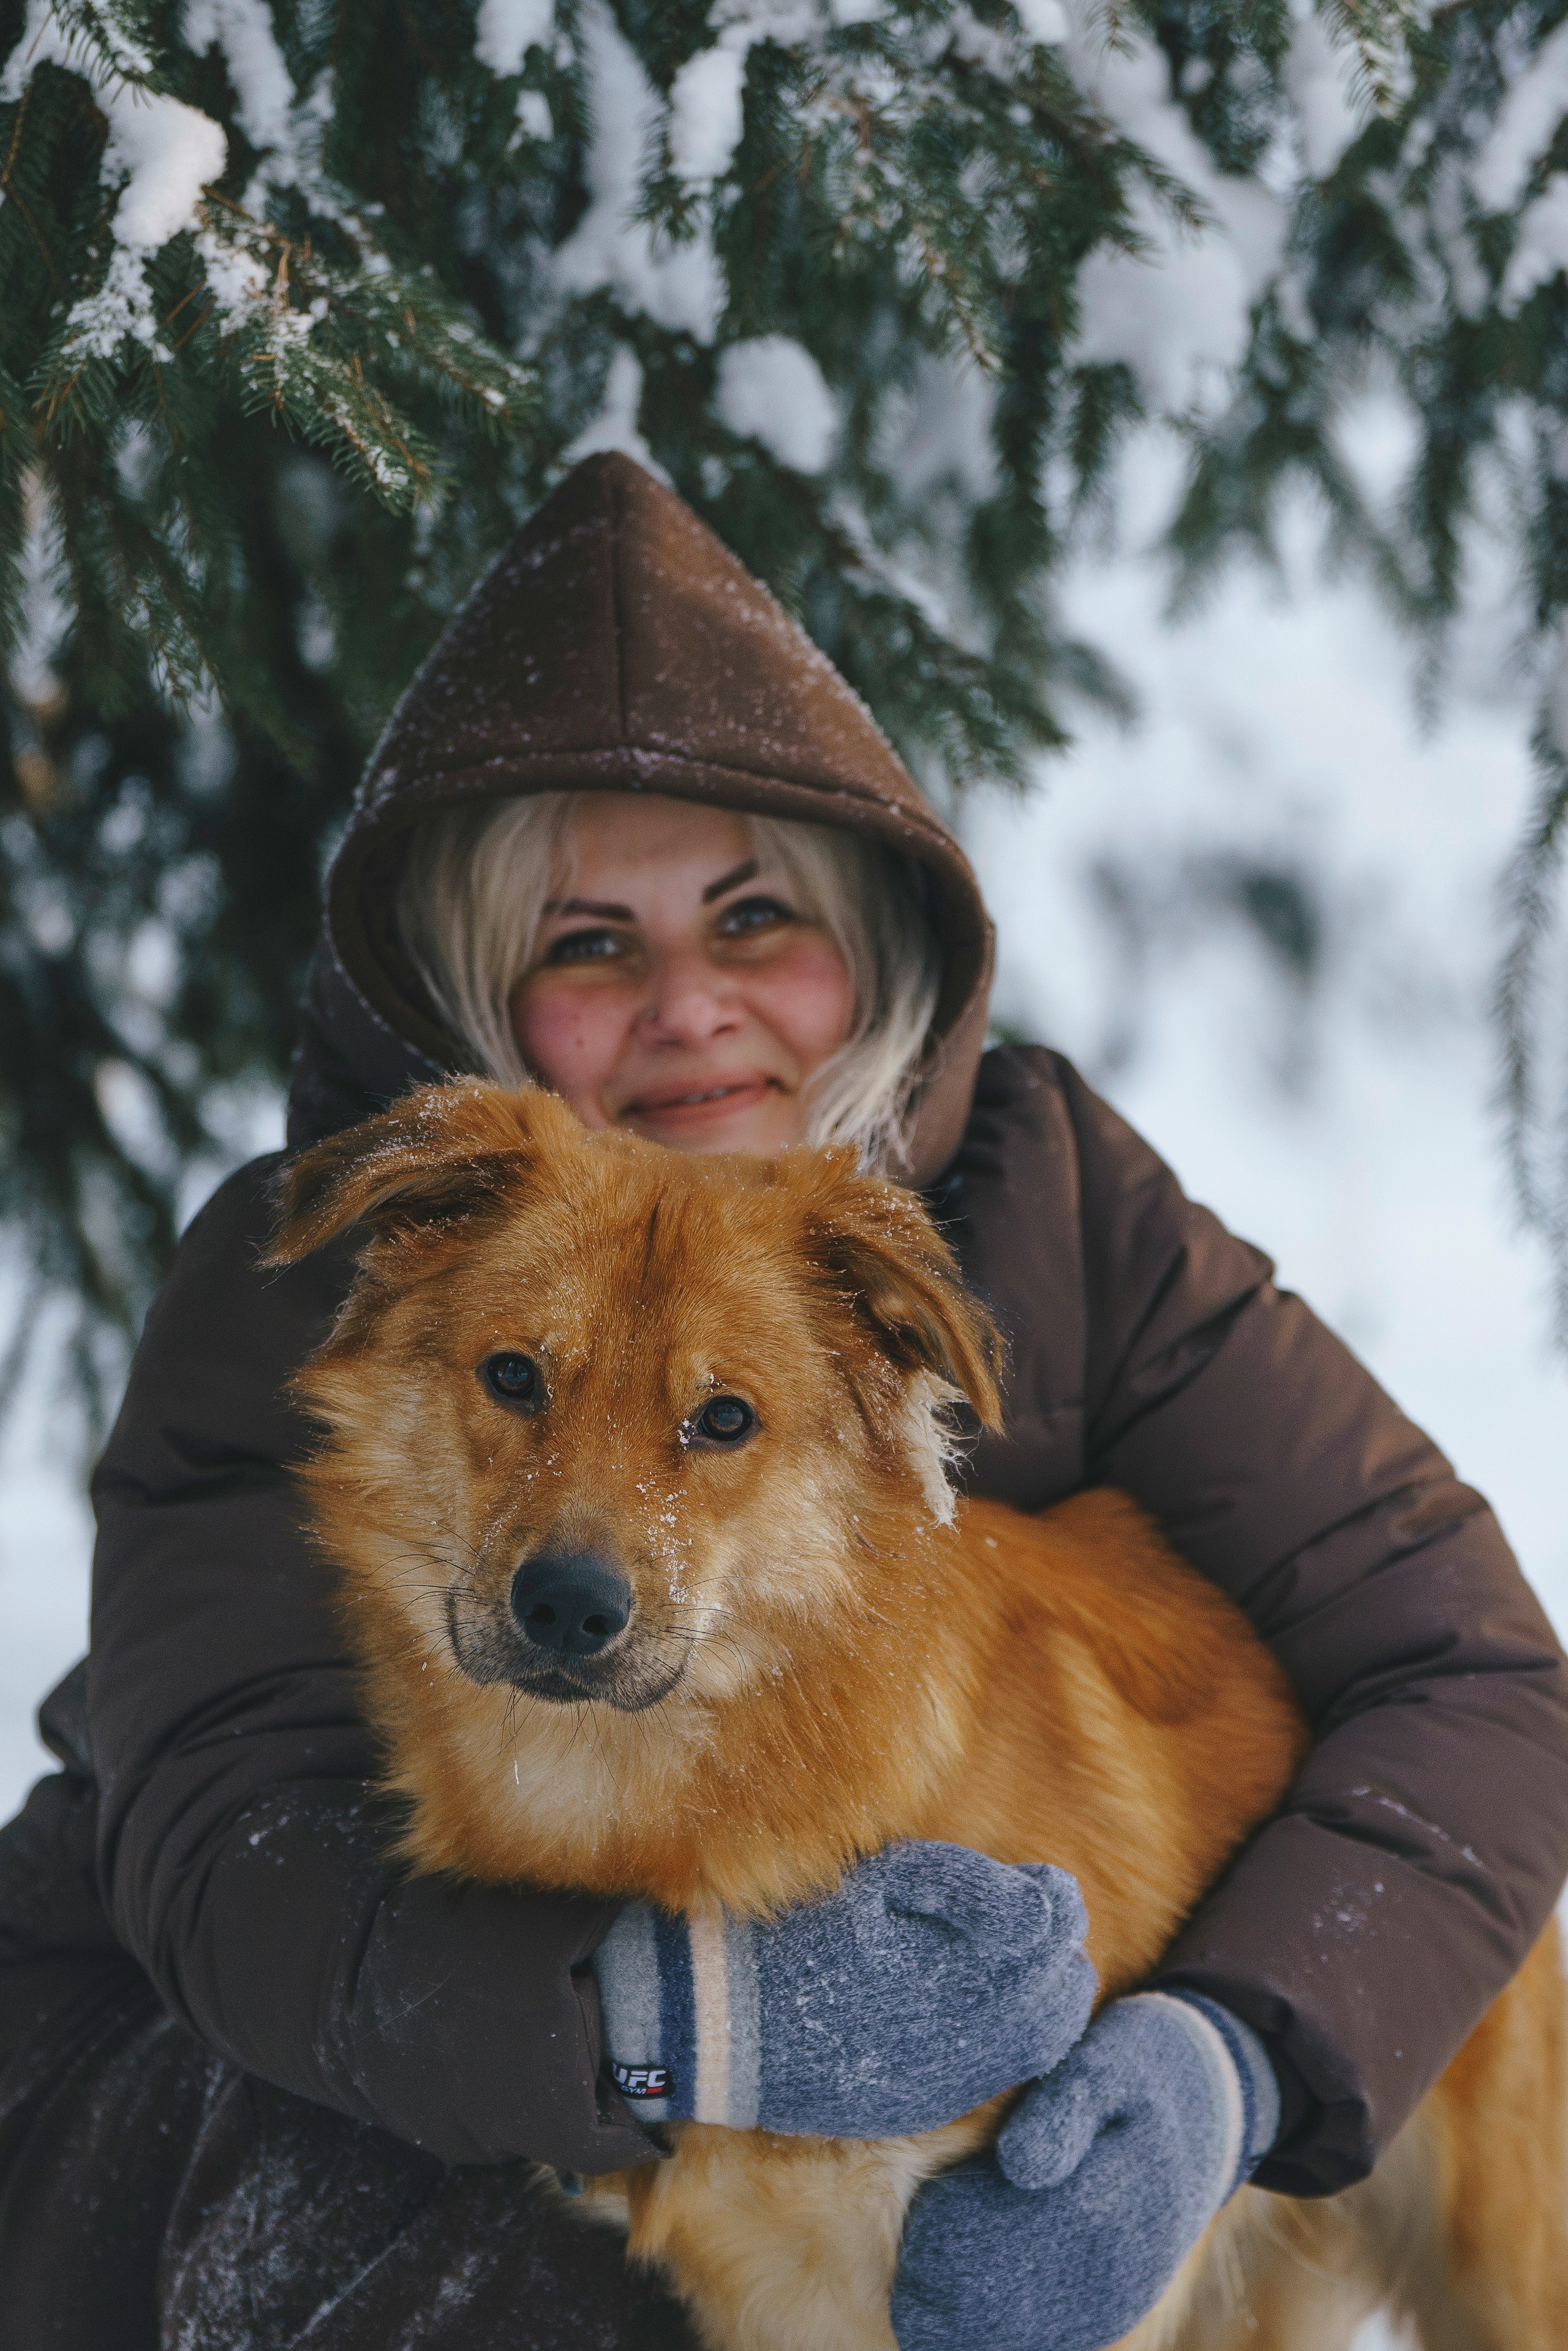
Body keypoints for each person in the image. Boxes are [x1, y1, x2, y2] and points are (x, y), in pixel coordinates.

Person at [1, 451, 1565, 2349]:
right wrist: (691, 2027)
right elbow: (228, 1865)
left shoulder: (1046, 1198)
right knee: (517, 2241)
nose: (690, 1004)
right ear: (481, 982)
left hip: (1058, 1996)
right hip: (230, 2074)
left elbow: (1473, 1676)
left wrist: (1221, 2066)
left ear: (865, 940)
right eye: (590, 942)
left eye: (753, 920)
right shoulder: (356, 1249)